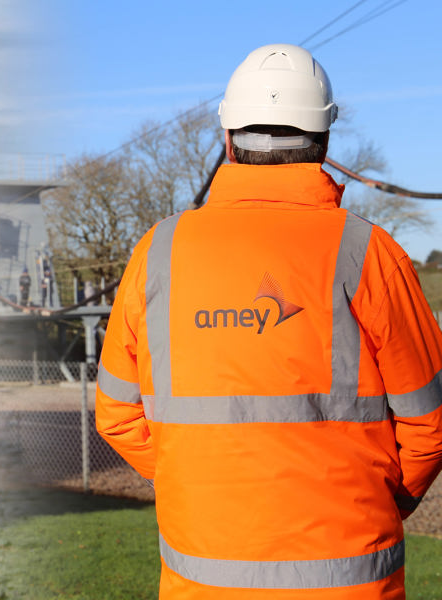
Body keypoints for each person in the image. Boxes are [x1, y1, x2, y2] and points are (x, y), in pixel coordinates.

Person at [95, 43, 442, 599]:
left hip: (200, 582)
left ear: (228, 139)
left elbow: (116, 414)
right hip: (349, 580)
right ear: (325, 141)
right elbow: (430, 423)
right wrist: (380, 500)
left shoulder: (157, 254)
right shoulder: (369, 253)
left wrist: (200, 482)